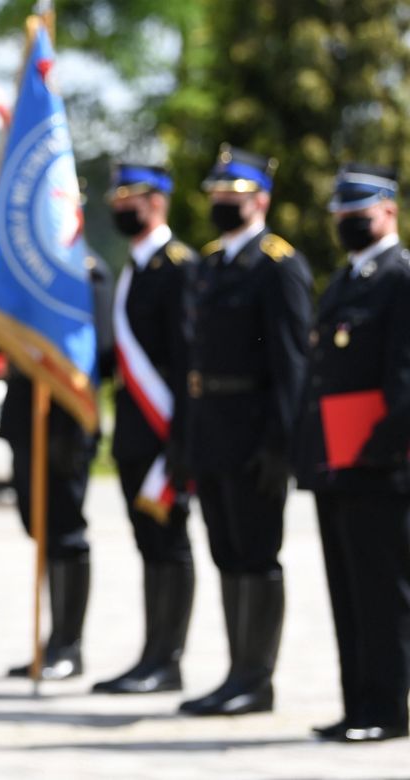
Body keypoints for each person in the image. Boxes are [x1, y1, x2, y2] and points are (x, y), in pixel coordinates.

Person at [178, 144, 312, 716]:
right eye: (215, 196)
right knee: (226, 553)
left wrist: (282, 445)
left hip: (256, 430)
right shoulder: (210, 263)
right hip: (213, 430)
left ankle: (258, 679)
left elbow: (292, 366)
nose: (220, 205)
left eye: (231, 197)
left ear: (260, 200)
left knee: (258, 554)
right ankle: (237, 671)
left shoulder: (278, 265)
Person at [293, 163, 410, 743]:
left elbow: (405, 379)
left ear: (388, 211)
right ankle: (356, 702)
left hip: (380, 467)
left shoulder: (400, 276)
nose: (345, 223)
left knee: (381, 594)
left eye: (356, 214)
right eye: (340, 215)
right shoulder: (343, 282)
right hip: (336, 464)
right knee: (346, 593)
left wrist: (380, 449)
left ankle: (387, 709)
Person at [92, 163, 198, 695]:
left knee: (169, 544)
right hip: (134, 433)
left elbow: (185, 360)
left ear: (157, 203)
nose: (120, 206)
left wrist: (183, 440)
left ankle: (167, 659)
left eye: (130, 197)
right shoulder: (136, 266)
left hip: (166, 436)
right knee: (148, 547)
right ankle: (151, 655)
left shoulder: (178, 266)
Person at [2, 249, 114, 681]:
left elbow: (101, 348)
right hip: (25, 414)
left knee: (66, 530)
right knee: (39, 525)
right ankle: (49, 642)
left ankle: (69, 646)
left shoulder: (87, 271)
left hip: (66, 418)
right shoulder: (24, 261)